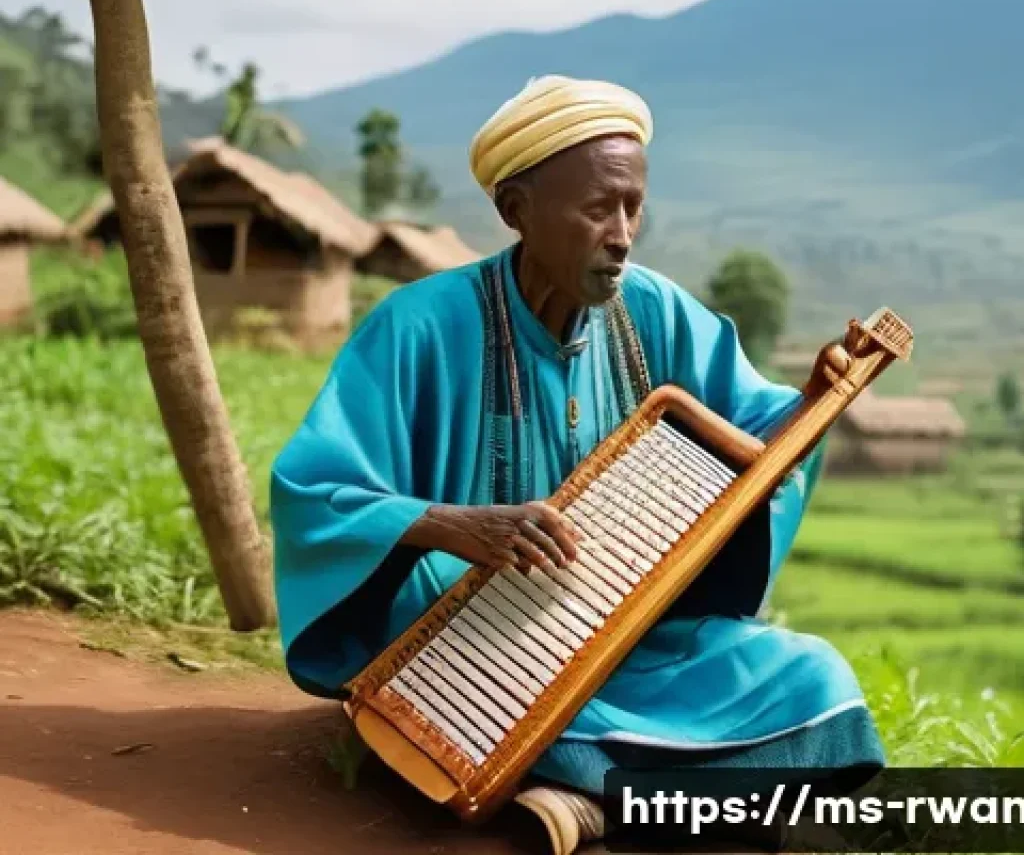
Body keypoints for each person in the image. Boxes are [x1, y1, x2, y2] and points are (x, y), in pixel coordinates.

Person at [269, 75, 884, 854]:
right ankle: (650, 795)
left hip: (625, 638)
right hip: (473, 638)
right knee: (453, 676)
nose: (622, 233)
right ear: (515, 210)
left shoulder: (654, 309)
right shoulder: (417, 328)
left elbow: (758, 439)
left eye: (633, 207)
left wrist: (813, 406)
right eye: (598, 209)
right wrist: (457, 528)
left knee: (811, 680)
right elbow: (315, 495)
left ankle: (582, 803)